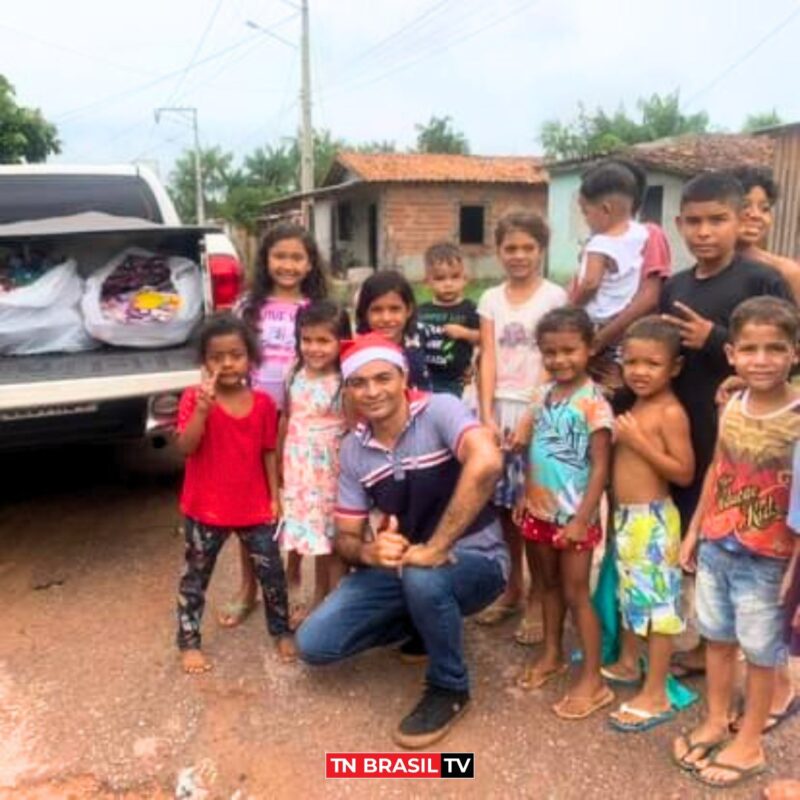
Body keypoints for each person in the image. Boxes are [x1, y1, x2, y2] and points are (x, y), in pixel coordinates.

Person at [296, 333, 508, 748]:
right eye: (359, 383)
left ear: (403, 376)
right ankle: (425, 622)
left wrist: (439, 546)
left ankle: (450, 687)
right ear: (349, 390)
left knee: (422, 576)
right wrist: (370, 552)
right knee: (315, 644)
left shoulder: (440, 410)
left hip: (477, 560)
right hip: (409, 565)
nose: (372, 391)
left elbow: (487, 460)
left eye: (382, 378)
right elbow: (347, 537)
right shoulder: (354, 451)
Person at [658, 171, 793, 678]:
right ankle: (708, 641)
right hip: (686, 435)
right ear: (679, 224)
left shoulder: (761, 282)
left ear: (742, 221)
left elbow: (783, 356)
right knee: (698, 542)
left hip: (745, 447)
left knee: (744, 550)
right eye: (694, 222)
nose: (705, 231)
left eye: (718, 220)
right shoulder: (675, 286)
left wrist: (714, 338)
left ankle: (761, 666)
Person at [672, 296, 800, 789]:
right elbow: (717, 471)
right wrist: (694, 530)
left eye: (775, 348)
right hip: (718, 544)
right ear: (731, 354)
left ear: (794, 353)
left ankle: (750, 741)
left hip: (770, 557)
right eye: (750, 348)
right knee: (718, 640)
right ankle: (715, 719)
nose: (761, 359)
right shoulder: (733, 404)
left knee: (762, 653)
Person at [175, 314, 295, 674]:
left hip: (254, 506)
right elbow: (185, 446)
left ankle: (281, 629)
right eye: (217, 357)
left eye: (236, 354)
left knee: (272, 573)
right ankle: (188, 640)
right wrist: (201, 409)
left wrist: (274, 497)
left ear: (250, 357)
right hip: (204, 508)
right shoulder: (194, 398)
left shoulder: (261, 404)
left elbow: (267, 452)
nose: (227, 363)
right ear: (204, 361)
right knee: (196, 577)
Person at [223, 223, 328, 629]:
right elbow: (226, 355)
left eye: (297, 257)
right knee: (249, 506)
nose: (288, 265)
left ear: (310, 262)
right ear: (266, 260)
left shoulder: (315, 308)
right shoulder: (247, 306)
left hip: (301, 421)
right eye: (280, 256)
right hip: (249, 417)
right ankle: (248, 586)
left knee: (298, 497)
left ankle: (293, 571)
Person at [513, 307, 614, 719]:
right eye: (550, 352)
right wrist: (523, 495)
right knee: (546, 584)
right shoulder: (540, 397)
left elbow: (601, 467)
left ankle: (594, 679)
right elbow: (534, 454)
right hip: (537, 510)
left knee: (576, 593)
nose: (559, 360)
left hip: (575, 517)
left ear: (589, 349)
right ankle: (552, 653)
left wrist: (581, 519)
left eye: (569, 350)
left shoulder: (594, 404)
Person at [475, 211, 567, 644]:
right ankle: (511, 589)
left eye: (528, 247)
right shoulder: (490, 299)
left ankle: (539, 597)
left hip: (541, 411)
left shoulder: (554, 297)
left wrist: (532, 413)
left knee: (536, 506)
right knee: (502, 508)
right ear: (498, 251)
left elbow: (557, 358)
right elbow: (488, 357)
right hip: (500, 411)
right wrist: (487, 414)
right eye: (510, 248)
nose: (519, 255)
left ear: (541, 250)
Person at [601, 317, 694, 732]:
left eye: (652, 363)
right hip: (627, 520)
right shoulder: (638, 403)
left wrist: (638, 443)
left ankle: (655, 692)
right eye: (631, 361)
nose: (639, 371)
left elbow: (685, 472)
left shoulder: (670, 412)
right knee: (630, 595)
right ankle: (627, 659)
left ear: (674, 368)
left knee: (658, 609)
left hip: (653, 522)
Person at [279, 301, 351, 622]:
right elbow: (286, 415)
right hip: (297, 462)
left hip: (329, 466)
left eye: (323, 341)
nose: (314, 348)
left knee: (324, 531)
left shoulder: (345, 379)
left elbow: (352, 426)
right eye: (307, 339)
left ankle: (322, 594)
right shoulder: (293, 370)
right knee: (300, 524)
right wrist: (280, 461)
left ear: (341, 341)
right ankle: (294, 578)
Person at [571, 161, 649, 396]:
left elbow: (591, 283)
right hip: (623, 319)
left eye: (586, 212)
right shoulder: (639, 233)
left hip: (598, 319)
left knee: (587, 372)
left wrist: (572, 305)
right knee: (615, 367)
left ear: (605, 209)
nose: (586, 220)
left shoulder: (600, 243)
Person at [416, 242, 480, 397]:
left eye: (455, 277)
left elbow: (484, 338)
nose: (448, 284)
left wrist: (464, 333)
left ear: (465, 279)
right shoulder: (420, 311)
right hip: (424, 379)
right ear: (427, 282)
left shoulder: (470, 308)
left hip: (455, 381)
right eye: (440, 278)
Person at [732, 165, 800, 304]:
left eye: (765, 209)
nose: (756, 215)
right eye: (745, 205)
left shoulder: (785, 271)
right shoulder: (707, 267)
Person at [355, 269, 432, 390]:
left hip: (423, 404)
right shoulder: (358, 350)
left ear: (409, 310)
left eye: (394, 309)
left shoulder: (421, 334)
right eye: (377, 310)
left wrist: (463, 367)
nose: (386, 318)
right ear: (364, 313)